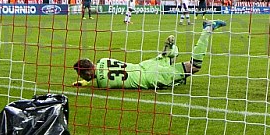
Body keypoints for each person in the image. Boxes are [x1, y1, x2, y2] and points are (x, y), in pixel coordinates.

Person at [72, 20, 228, 89]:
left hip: (151, 77)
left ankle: (207, 29)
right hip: (145, 65)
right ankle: (170, 52)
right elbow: (101, 73)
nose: (82, 78)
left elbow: (100, 80)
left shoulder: (102, 84)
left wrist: (86, 84)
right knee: (170, 62)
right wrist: (86, 82)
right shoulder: (103, 60)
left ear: (87, 71)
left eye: (81, 75)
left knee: (194, 67)